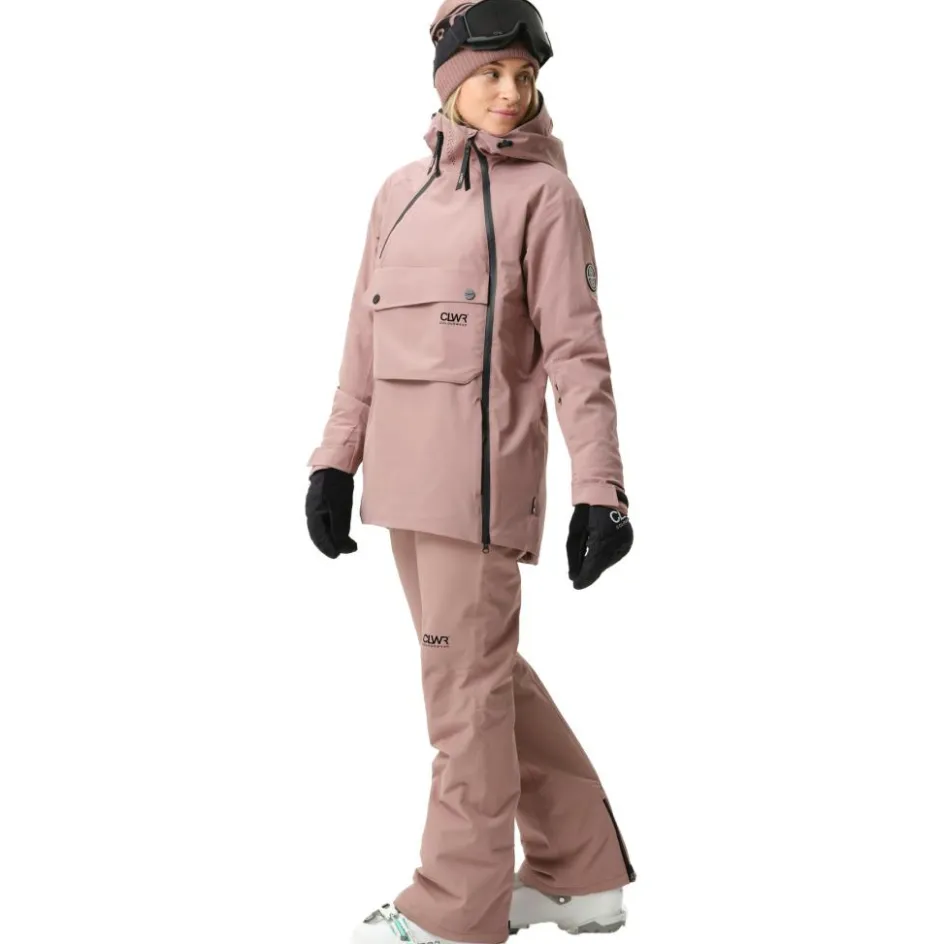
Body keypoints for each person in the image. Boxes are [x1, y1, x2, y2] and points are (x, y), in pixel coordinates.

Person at [305, 2, 636, 942]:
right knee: (485, 680)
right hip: (401, 490)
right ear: (450, 79)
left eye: (524, 76)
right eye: (491, 72)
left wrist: (600, 490)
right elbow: (364, 339)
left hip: (480, 491)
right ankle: (581, 873)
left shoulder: (546, 198)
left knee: (463, 700)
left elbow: (578, 354)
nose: (510, 92)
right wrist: (335, 461)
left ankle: (455, 909)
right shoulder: (397, 192)